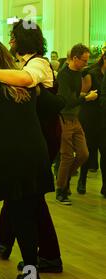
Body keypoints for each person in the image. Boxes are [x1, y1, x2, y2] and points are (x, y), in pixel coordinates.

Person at [0, 20, 65, 273]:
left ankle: (46, 257)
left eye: (14, 36)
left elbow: (26, 79)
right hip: (32, 144)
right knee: (22, 200)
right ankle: (8, 247)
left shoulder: (37, 64)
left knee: (28, 202)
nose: (11, 40)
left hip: (40, 138)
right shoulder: (20, 67)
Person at [56, 44, 97, 205]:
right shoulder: (63, 75)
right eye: (83, 60)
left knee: (84, 154)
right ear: (74, 58)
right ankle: (61, 189)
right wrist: (86, 98)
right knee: (66, 156)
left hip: (75, 118)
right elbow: (68, 100)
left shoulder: (79, 72)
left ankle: (63, 181)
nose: (85, 64)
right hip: (64, 118)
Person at [78, 53, 105, 196]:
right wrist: (90, 96)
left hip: (103, 118)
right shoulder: (91, 74)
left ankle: (105, 187)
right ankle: (82, 181)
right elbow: (81, 94)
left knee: (104, 152)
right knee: (88, 151)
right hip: (90, 117)